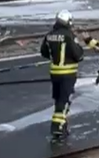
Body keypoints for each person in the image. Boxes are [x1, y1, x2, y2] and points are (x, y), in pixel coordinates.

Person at [40, 10, 85, 139]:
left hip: (54, 73)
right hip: (68, 73)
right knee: (65, 100)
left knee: (58, 98)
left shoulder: (49, 35)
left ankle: (62, 125)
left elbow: (43, 52)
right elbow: (78, 54)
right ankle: (58, 126)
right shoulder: (69, 35)